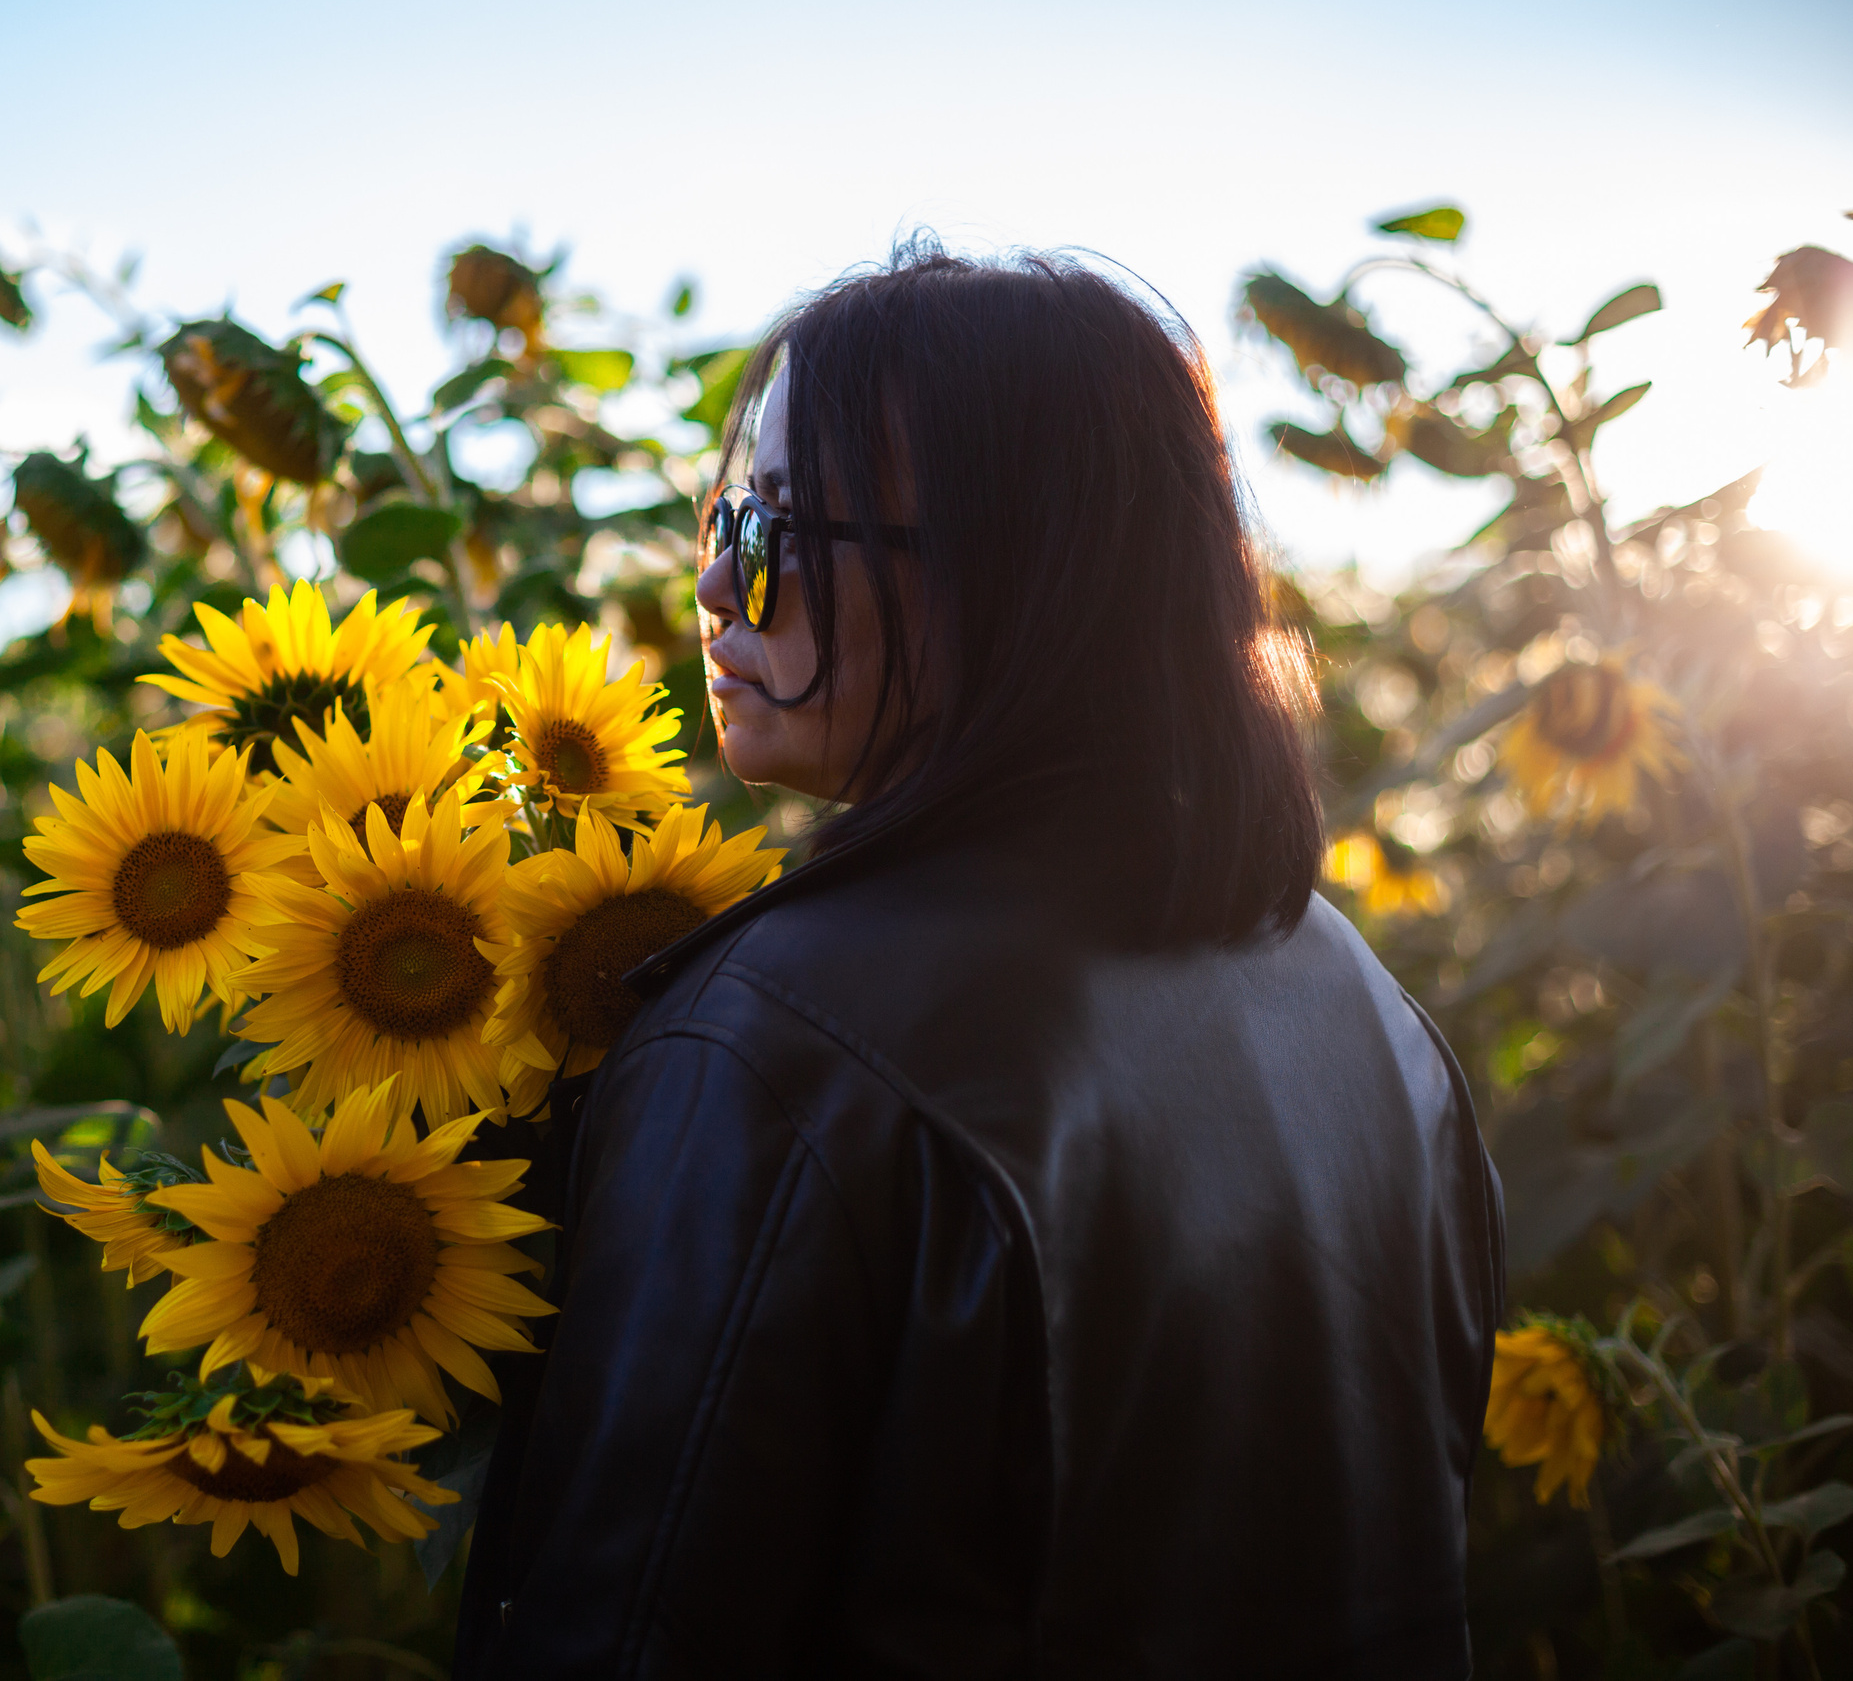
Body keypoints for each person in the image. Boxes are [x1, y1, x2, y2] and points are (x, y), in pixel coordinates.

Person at [453, 241, 1504, 1679]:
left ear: (1012, 576)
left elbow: (633, 1631)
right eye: (719, 519)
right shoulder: (1357, 1001)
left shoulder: (778, 1044)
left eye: (770, 532)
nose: (712, 584)